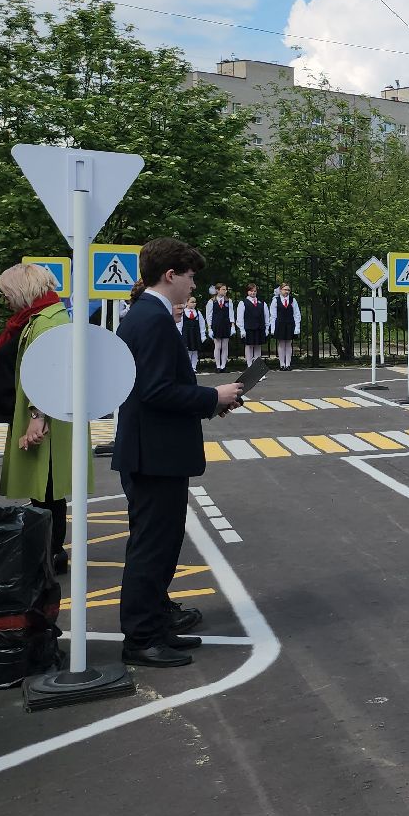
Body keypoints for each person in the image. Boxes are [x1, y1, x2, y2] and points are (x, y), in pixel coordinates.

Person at [113, 238, 244, 667]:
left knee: (162, 545)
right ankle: (142, 637)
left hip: (155, 449)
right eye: (191, 278)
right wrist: (212, 396)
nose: (194, 287)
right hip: (154, 454)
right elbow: (154, 391)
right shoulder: (151, 320)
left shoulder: (148, 315)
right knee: (152, 547)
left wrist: (210, 403)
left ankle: (158, 624)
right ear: (171, 274)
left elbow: (158, 388)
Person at [0, 263, 85, 574]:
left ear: (22, 290)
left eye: (7, 294)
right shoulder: (47, 316)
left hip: (47, 418)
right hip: (47, 415)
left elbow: (50, 371)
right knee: (46, 489)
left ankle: (50, 554)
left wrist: (37, 415)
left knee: (47, 489)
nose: (6, 300)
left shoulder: (47, 322)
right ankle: (48, 551)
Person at [267, 282, 301, 370]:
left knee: (289, 343)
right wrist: (273, 328)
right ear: (281, 290)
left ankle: (288, 364)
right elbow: (273, 315)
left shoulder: (293, 300)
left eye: (288, 290)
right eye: (285, 289)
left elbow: (297, 314)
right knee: (281, 344)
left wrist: (297, 327)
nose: (287, 291)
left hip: (290, 324)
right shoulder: (276, 300)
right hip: (280, 324)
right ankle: (282, 364)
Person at [205, 284, 236, 373]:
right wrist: (210, 328)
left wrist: (232, 326)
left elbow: (231, 314)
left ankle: (223, 366)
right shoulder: (211, 301)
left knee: (225, 346)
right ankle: (218, 365)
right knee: (218, 346)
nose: (225, 291)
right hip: (216, 325)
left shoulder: (228, 301)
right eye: (223, 289)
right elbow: (209, 315)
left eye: (225, 289)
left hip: (226, 325)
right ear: (218, 290)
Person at [237, 284, 267, 367]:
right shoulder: (243, 302)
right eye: (251, 291)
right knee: (249, 347)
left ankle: (257, 366)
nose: (253, 293)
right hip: (249, 328)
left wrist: (266, 328)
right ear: (247, 292)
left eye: (255, 291)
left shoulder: (262, 303)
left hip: (259, 328)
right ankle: (249, 365)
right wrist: (242, 329)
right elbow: (240, 317)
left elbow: (266, 316)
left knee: (258, 346)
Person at [178, 297, 204, 373]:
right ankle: (188, 366)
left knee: (195, 350)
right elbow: (180, 325)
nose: (194, 303)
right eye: (192, 302)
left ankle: (194, 366)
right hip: (187, 334)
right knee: (188, 350)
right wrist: (180, 334)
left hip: (195, 334)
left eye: (195, 302)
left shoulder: (197, 312)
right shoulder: (183, 313)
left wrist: (202, 335)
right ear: (187, 303)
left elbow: (202, 324)